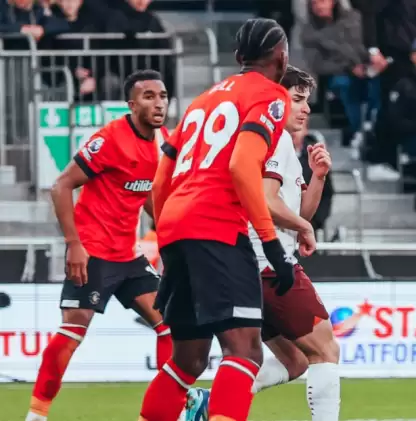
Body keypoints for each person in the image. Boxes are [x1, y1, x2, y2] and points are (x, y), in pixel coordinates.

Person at [137, 19, 304, 421]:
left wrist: (169, 229)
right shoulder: (271, 95)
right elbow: (242, 166)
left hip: (176, 225)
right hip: (216, 227)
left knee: (188, 360)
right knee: (245, 351)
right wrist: (270, 244)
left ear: (237, 58)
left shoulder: (203, 99)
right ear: (281, 56)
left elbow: (161, 178)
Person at [182, 66, 340, 421]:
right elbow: (268, 203)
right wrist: (303, 227)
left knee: (294, 360)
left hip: (242, 265)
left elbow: (297, 211)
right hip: (268, 264)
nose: (305, 109)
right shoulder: (274, 137)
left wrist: (318, 178)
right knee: (326, 349)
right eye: (297, 99)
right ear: (275, 98)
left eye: (307, 102)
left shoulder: (276, 140)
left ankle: (210, 403)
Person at [26, 70, 171, 421]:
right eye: (149, 96)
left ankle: (161, 413)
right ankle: (37, 414)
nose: (159, 103)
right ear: (132, 104)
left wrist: (167, 231)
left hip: (129, 254)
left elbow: (146, 192)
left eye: (163, 95)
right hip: (92, 252)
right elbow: (60, 186)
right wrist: (73, 244)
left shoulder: (163, 140)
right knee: (75, 329)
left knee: (170, 326)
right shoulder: (110, 140)